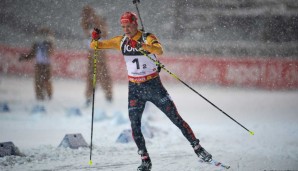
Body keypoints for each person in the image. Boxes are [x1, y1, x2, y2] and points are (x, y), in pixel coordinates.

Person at [90, 11, 212, 171]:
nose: (126, 30)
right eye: (123, 26)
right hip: (135, 89)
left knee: (175, 119)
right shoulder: (121, 41)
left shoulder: (147, 37)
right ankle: (145, 159)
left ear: (135, 24)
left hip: (154, 86)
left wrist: (141, 46)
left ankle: (198, 148)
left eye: (128, 26)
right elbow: (96, 46)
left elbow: (159, 50)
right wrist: (94, 38)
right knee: (135, 125)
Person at [81, 5, 113, 105]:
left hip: (100, 50)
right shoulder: (86, 21)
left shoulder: (98, 20)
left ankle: (107, 95)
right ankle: (90, 95)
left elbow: (104, 32)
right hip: (92, 50)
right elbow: (85, 29)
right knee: (93, 74)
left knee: (102, 73)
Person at [19, 27, 54, 101]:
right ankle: (39, 95)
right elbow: (32, 53)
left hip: (46, 64)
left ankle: (49, 94)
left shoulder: (49, 43)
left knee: (46, 80)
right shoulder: (36, 43)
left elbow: (51, 52)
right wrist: (25, 57)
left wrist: (47, 44)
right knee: (38, 80)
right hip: (39, 64)